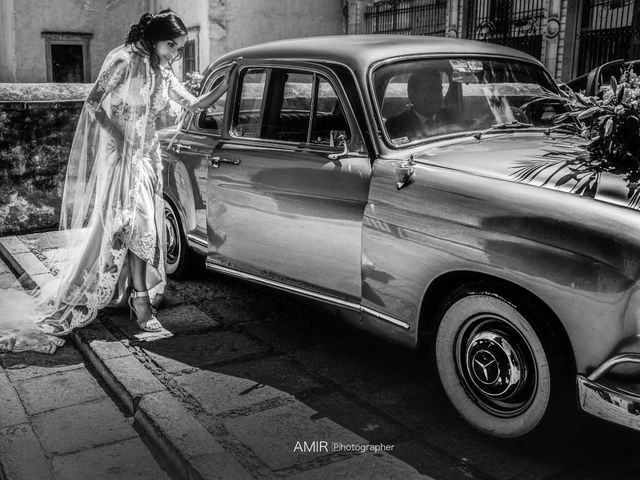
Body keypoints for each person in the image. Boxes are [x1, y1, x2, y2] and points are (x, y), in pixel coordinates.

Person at [0, 9, 232, 354]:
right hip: (121, 159)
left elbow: (194, 103)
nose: (175, 54)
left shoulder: (161, 68)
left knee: (140, 225)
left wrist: (231, 83)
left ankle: (130, 294)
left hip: (148, 158)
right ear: (154, 38)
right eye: (172, 45)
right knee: (136, 226)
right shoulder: (124, 60)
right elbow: (93, 103)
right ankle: (141, 304)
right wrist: (122, 140)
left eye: (180, 48)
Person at [385, 68, 452, 142]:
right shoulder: (395, 125)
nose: (436, 96)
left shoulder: (450, 117)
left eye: (439, 90)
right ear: (412, 94)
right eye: (429, 91)